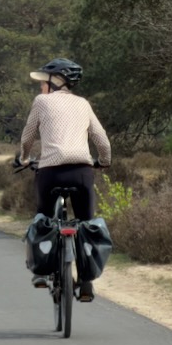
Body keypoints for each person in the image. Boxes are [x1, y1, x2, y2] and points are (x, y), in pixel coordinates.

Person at [14, 58, 112, 299]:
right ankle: (87, 282)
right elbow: (101, 139)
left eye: (44, 82)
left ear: (56, 81)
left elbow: (27, 137)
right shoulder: (83, 104)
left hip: (51, 172)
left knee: (43, 220)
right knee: (86, 224)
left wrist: (24, 158)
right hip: (81, 172)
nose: (41, 87)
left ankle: (39, 272)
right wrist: (104, 161)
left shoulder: (41, 102)